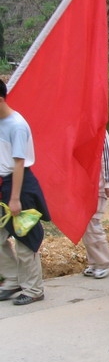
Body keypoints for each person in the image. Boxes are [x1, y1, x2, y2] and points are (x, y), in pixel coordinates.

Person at [0, 79, 50, 305]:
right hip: (2, 183)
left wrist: (15, 198)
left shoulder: (17, 125)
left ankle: (33, 289)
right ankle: (11, 280)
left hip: (19, 185)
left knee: (23, 239)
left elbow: (19, 163)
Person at [82, 132, 109, 279]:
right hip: (83, 185)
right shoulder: (78, 126)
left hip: (99, 184)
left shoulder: (98, 128)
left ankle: (104, 261)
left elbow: (106, 155)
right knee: (85, 224)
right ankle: (94, 261)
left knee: (93, 222)